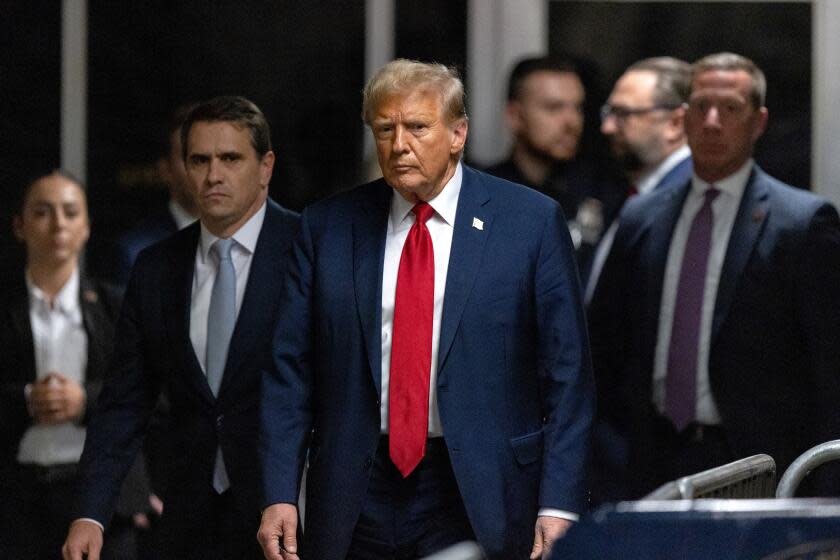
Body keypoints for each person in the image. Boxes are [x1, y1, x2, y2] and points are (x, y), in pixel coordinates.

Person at [257, 59, 593, 560]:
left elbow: (568, 375)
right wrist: (280, 491)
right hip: (358, 484)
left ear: (458, 134)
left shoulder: (528, 221)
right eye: (385, 129)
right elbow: (289, 371)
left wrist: (560, 503)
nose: (398, 145)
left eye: (417, 127)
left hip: (477, 483)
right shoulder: (328, 227)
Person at [588, 52, 840, 500]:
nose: (712, 121)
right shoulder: (644, 216)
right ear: (682, 118)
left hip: (756, 462)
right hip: (652, 457)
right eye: (700, 106)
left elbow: (830, 370)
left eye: (730, 108)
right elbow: (606, 349)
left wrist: (822, 494)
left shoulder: (800, 222)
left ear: (758, 121)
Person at [62, 96, 300, 560]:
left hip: (289, 513)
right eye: (199, 160)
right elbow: (124, 402)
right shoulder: (155, 267)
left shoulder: (308, 252)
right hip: (187, 517)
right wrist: (91, 512)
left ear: (265, 166)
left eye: (230, 158)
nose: (213, 175)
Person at [0, 171, 150, 559]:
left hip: (102, 501)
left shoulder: (116, 305)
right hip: (18, 499)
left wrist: (84, 400)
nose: (58, 224)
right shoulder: (6, 307)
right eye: (43, 212)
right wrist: (28, 400)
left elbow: (151, 392)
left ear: (86, 227)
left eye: (70, 212)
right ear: (19, 226)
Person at [484, 56, 622, 269]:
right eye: (554, 108)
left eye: (577, 108)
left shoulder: (603, 191)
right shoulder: (484, 195)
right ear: (516, 116)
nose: (572, 122)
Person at [585, 56, 693, 304]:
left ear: (676, 123)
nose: (608, 128)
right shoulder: (630, 193)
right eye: (609, 113)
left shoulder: (688, 201)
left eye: (623, 114)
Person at [109, 104, 199, 287]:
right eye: (189, 156)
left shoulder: (253, 244)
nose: (204, 168)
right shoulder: (136, 253)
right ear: (165, 170)